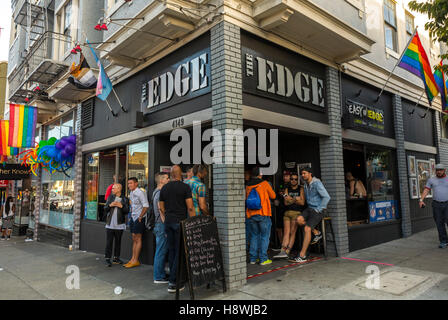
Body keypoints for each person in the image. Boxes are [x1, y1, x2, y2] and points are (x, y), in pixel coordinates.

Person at [159, 165, 195, 293]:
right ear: (181, 174)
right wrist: (194, 223)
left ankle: (174, 280)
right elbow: (190, 207)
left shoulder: (164, 188)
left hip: (168, 222)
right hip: (180, 223)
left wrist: (167, 217)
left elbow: (161, 207)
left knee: (172, 250)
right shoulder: (185, 187)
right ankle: (174, 282)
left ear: (172, 174)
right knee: (180, 252)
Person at [290, 167, 330, 263]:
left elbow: (327, 197)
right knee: (298, 220)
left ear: (310, 173)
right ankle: (316, 232)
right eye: (302, 174)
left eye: (304, 173)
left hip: (318, 210)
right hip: (309, 209)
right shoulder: (305, 185)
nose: (303, 175)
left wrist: (319, 209)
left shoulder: (317, 183)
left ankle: (302, 255)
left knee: (307, 228)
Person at [245, 167, 276, 265]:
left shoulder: (248, 185)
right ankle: (263, 259)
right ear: (260, 174)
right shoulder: (264, 183)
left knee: (254, 236)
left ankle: (253, 259)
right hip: (263, 213)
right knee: (264, 236)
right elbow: (273, 196)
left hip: (251, 214)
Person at [273, 173, 305, 259]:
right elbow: (285, 203)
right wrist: (295, 199)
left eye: (295, 179)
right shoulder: (287, 188)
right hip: (287, 213)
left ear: (297, 180)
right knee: (286, 232)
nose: (293, 180)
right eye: (292, 179)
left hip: (296, 213)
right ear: (290, 180)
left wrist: (290, 199)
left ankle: (288, 251)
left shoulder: (300, 188)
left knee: (292, 232)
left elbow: (302, 202)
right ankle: (282, 251)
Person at [419, 163, 448, 248]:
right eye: (437, 170)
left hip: (447, 203)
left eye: (440, 170)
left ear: (444, 170)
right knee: (439, 223)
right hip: (436, 204)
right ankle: (443, 241)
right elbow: (426, 190)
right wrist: (421, 200)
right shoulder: (431, 180)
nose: (439, 171)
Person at [124, 177, 149, 268]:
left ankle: (135, 260)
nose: (129, 185)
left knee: (138, 239)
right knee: (134, 238)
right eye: (128, 183)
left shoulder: (140, 192)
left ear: (136, 184)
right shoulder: (131, 192)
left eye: (131, 183)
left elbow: (146, 206)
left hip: (139, 218)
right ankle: (132, 259)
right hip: (133, 218)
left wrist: (140, 216)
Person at [103, 183, 129, 267]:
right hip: (110, 223)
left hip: (120, 224)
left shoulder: (125, 199)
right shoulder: (110, 197)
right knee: (109, 242)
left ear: (119, 189)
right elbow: (105, 209)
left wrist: (121, 206)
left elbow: (127, 211)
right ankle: (107, 258)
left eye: (114, 188)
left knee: (118, 242)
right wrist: (110, 205)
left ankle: (116, 258)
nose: (112, 190)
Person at [152, 172, 170, 283]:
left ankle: (160, 274)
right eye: (167, 178)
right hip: (161, 224)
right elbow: (161, 210)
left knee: (161, 250)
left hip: (158, 224)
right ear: (161, 180)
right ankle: (158, 276)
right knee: (161, 251)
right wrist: (166, 225)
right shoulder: (159, 193)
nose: (169, 180)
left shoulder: (156, 192)